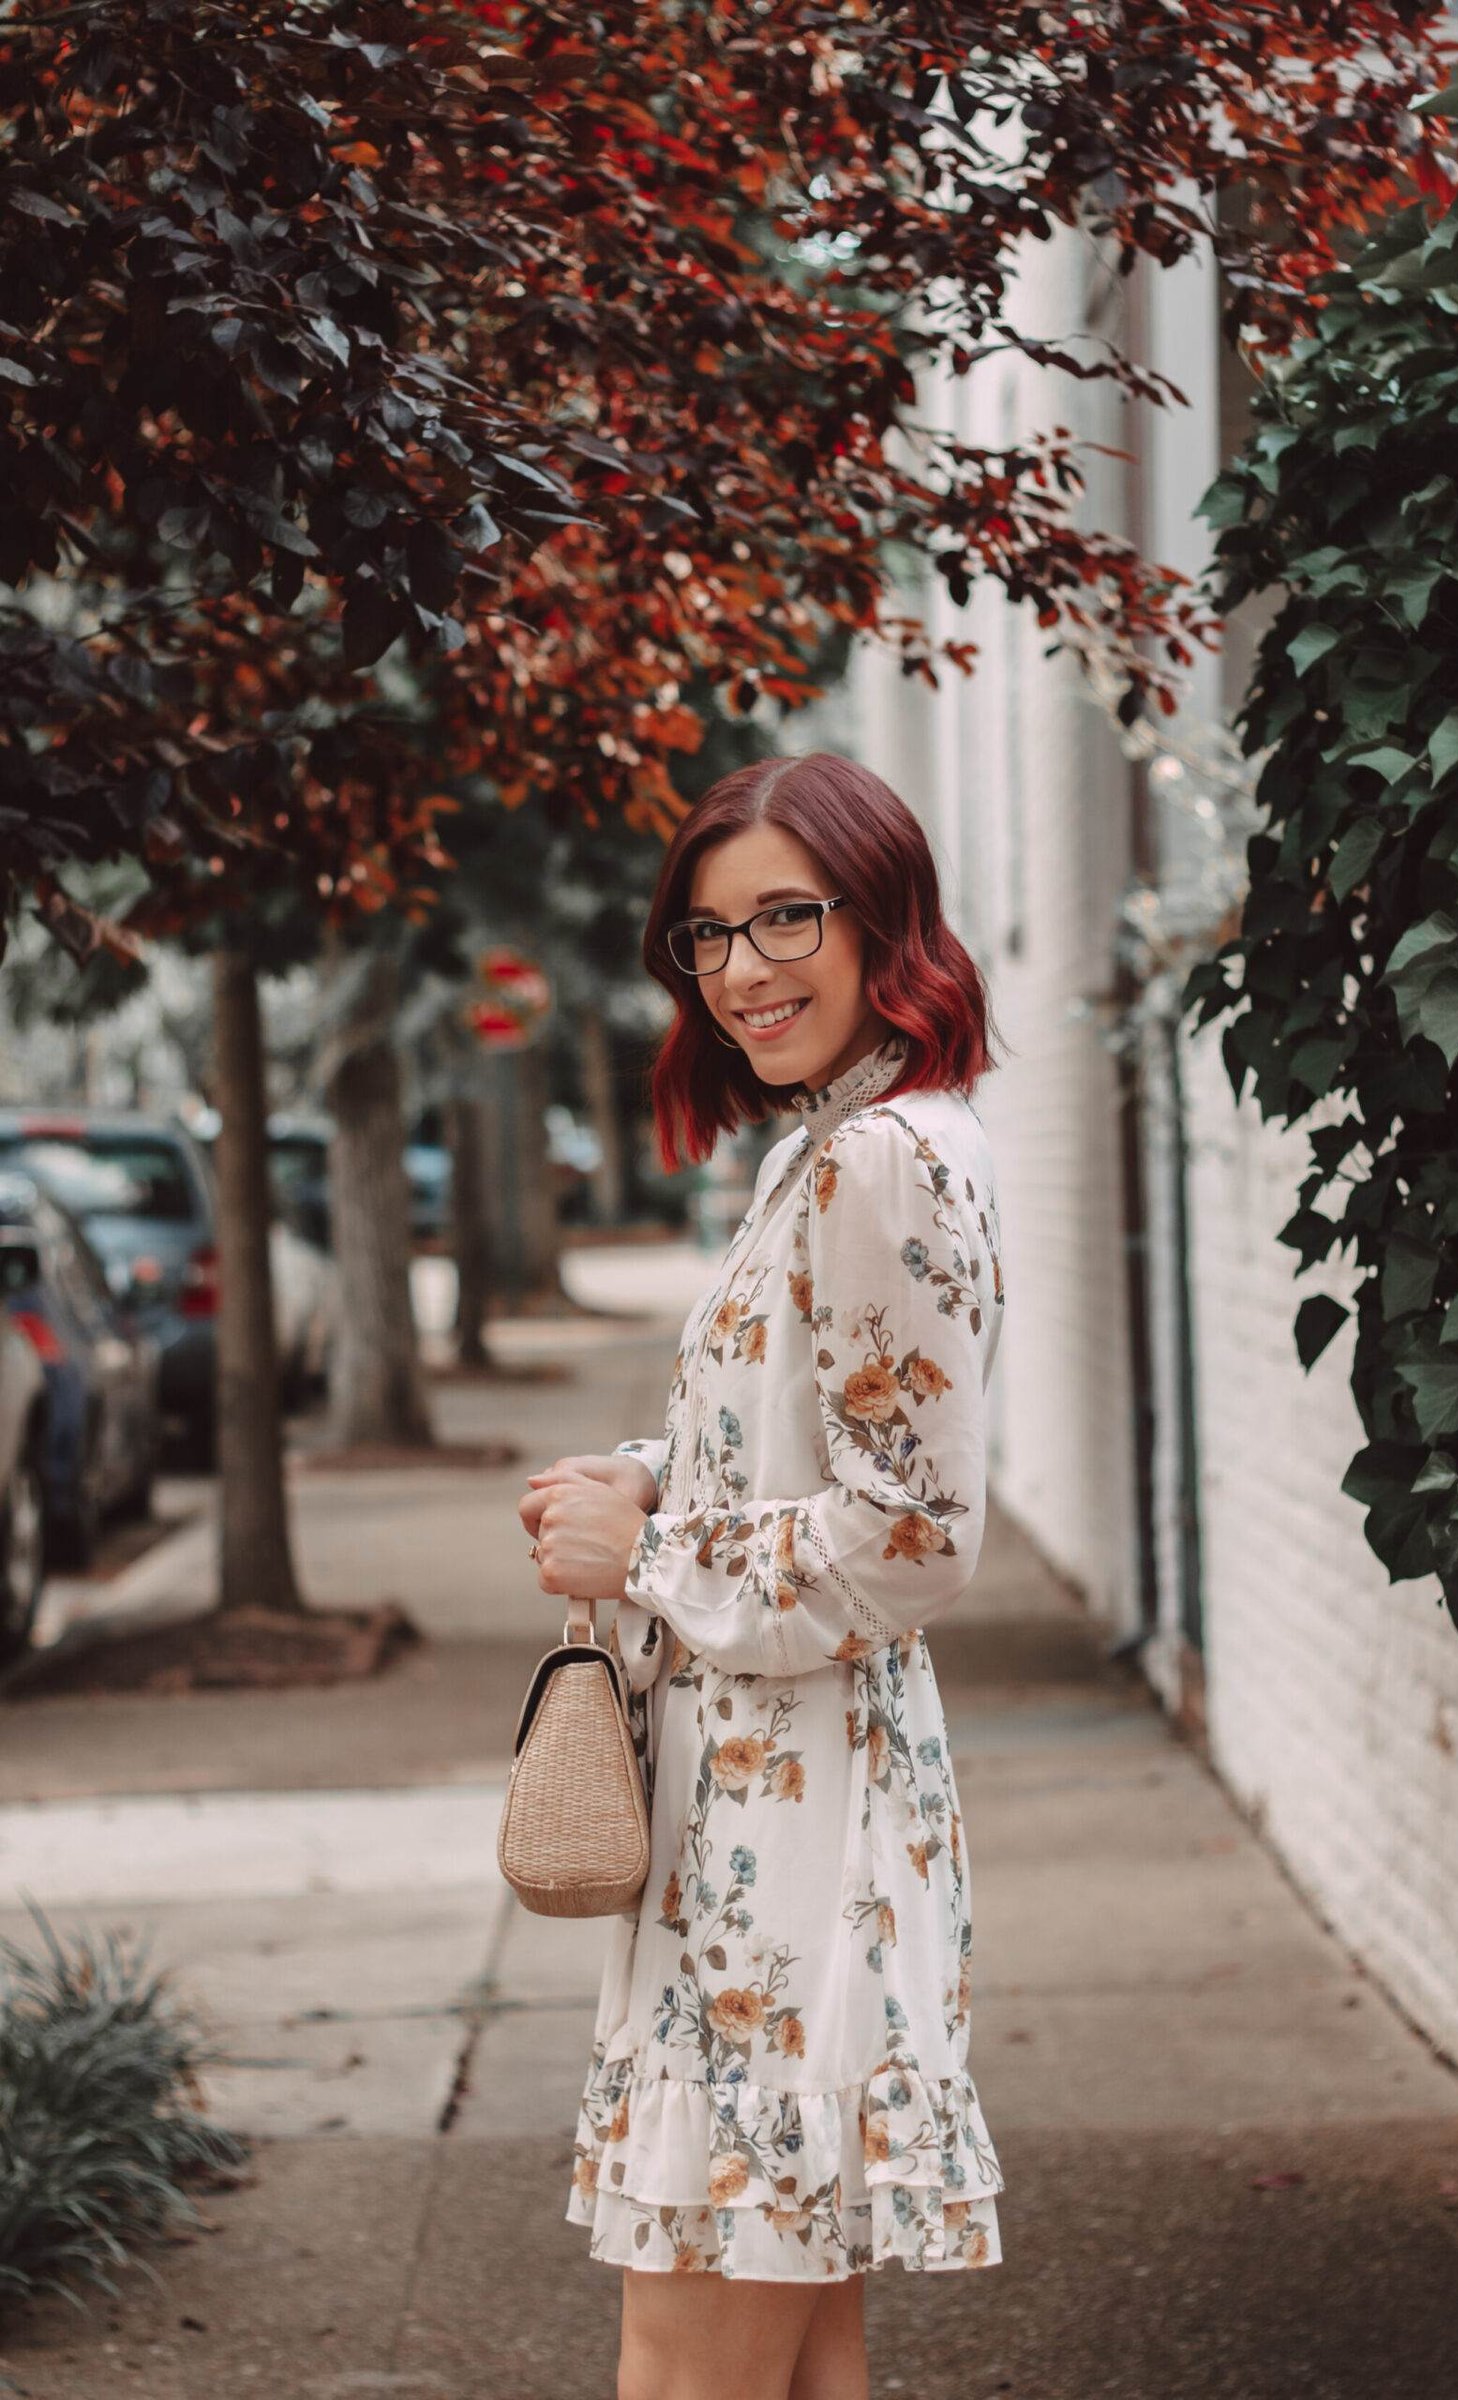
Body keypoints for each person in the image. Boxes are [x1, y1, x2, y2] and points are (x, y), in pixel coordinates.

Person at [519, 751, 1006, 2400]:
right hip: (767, 1815)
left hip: (795, 1841)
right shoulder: (831, 1145)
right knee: (797, 2357)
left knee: (686, 2358)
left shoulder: (882, 1162)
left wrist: (645, 1553)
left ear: (883, 921)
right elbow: (815, 1451)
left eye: (785, 916)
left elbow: (918, 1537)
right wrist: (649, 1476)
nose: (741, 970)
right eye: (706, 938)